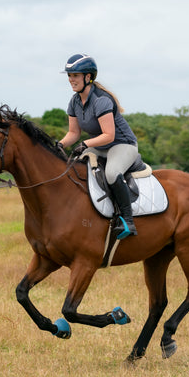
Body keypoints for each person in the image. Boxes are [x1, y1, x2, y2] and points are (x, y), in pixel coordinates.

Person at [57, 53, 139, 239]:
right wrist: (59, 144)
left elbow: (109, 135)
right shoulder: (75, 101)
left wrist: (85, 144)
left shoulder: (101, 100)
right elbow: (74, 133)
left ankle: (128, 221)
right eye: (69, 75)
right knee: (73, 164)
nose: (71, 80)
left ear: (88, 77)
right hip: (101, 145)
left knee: (111, 173)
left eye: (75, 75)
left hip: (122, 144)